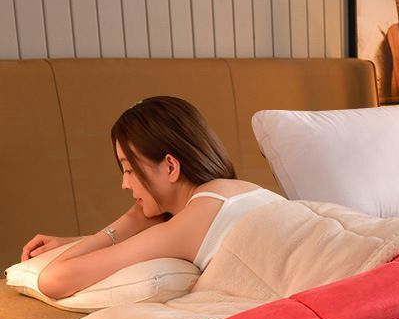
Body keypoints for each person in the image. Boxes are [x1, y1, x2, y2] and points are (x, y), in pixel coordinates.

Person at [22, 96, 272, 300]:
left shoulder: (188, 225)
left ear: (171, 166)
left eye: (129, 169)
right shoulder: (240, 190)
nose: (124, 184)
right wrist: (70, 242)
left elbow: (54, 279)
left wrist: (132, 218)